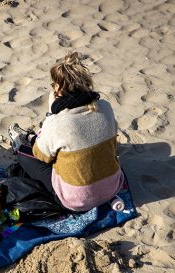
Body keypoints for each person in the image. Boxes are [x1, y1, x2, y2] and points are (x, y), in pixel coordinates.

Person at [9, 52, 123, 212]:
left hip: (75, 202)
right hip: (113, 187)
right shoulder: (105, 107)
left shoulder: (57, 122)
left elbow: (42, 155)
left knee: (24, 155)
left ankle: (20, 142)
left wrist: (50, 114)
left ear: (58, 89)